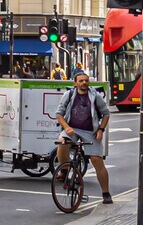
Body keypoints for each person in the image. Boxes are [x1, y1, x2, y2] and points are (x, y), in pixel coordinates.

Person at [54, 69, 114, 205]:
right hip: (72, 129)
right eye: (81, 81)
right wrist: (66, 127)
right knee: (62, 143)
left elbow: (106, 113)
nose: (84, 83)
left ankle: (106, 193)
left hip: (90, 131)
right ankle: (64, 170)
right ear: (75, 83)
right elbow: (59, 114)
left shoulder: (95, 96)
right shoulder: (68, 95)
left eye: (86, 80)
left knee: (97, 160)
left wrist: (101, 129)